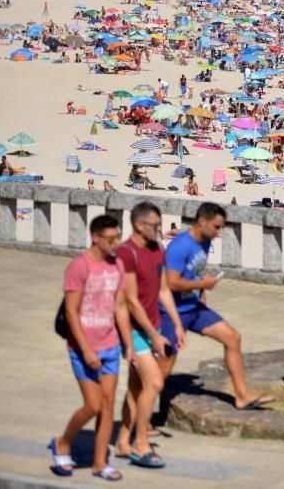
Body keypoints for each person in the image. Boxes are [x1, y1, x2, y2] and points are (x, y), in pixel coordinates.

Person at [159, 203, 274, 410]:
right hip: (172, 312)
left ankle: (242, 396)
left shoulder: (204, 241)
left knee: (232, 337)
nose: (219, 232)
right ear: (202, 221)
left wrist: (201, 293)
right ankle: (141, 415)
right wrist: (203, 285)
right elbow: (172, 282)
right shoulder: (180, 246)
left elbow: (195, 272)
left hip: (194, 308)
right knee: (164, 367)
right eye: (217, 227)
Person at [51, 215, 132, 481]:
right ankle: (63, 441)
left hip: (110, 345)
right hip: (83, 348)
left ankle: (100, 463)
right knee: (93, 406)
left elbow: (120, 307)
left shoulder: (117, 264)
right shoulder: (79, 266)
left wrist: (127, 344)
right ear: (95, 237)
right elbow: (72, 313)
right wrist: (86, 349)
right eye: (110, 238)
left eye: (117, 237)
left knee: (108, 405)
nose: (115, 243)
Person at [114, 203, 184, 467]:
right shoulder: (126, 253)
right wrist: (155, 335)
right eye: (156, 225)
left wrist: (176, 324)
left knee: (136, 388)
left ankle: (123, 440)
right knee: (154, 383)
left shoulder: (158, 250)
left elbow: (164, 290)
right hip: (132, 329)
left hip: (151, 325)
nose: (160, 229)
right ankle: (140, 443)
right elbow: (131, 301)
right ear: (139, 225)